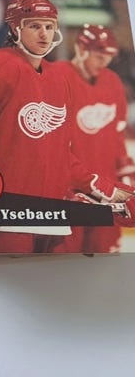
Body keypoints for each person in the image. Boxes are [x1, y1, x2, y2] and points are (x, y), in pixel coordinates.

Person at [0, 0, 132, 254]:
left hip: (52, 216)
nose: (44, 34)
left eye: (49, 26)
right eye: (34, 25)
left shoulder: (57, 79)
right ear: (15, 28)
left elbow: (58, 154)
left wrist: (102, 188)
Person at [56, 24, 135, 253]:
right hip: (69, 190)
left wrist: (127, 175)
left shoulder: (113, 81)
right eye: (99, 56)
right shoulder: (56, 76)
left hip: (108, 191)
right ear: (81, 49)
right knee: (63, 258)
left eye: (108, 57)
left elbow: (117, 138)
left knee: (104, 255)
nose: (104, 62)